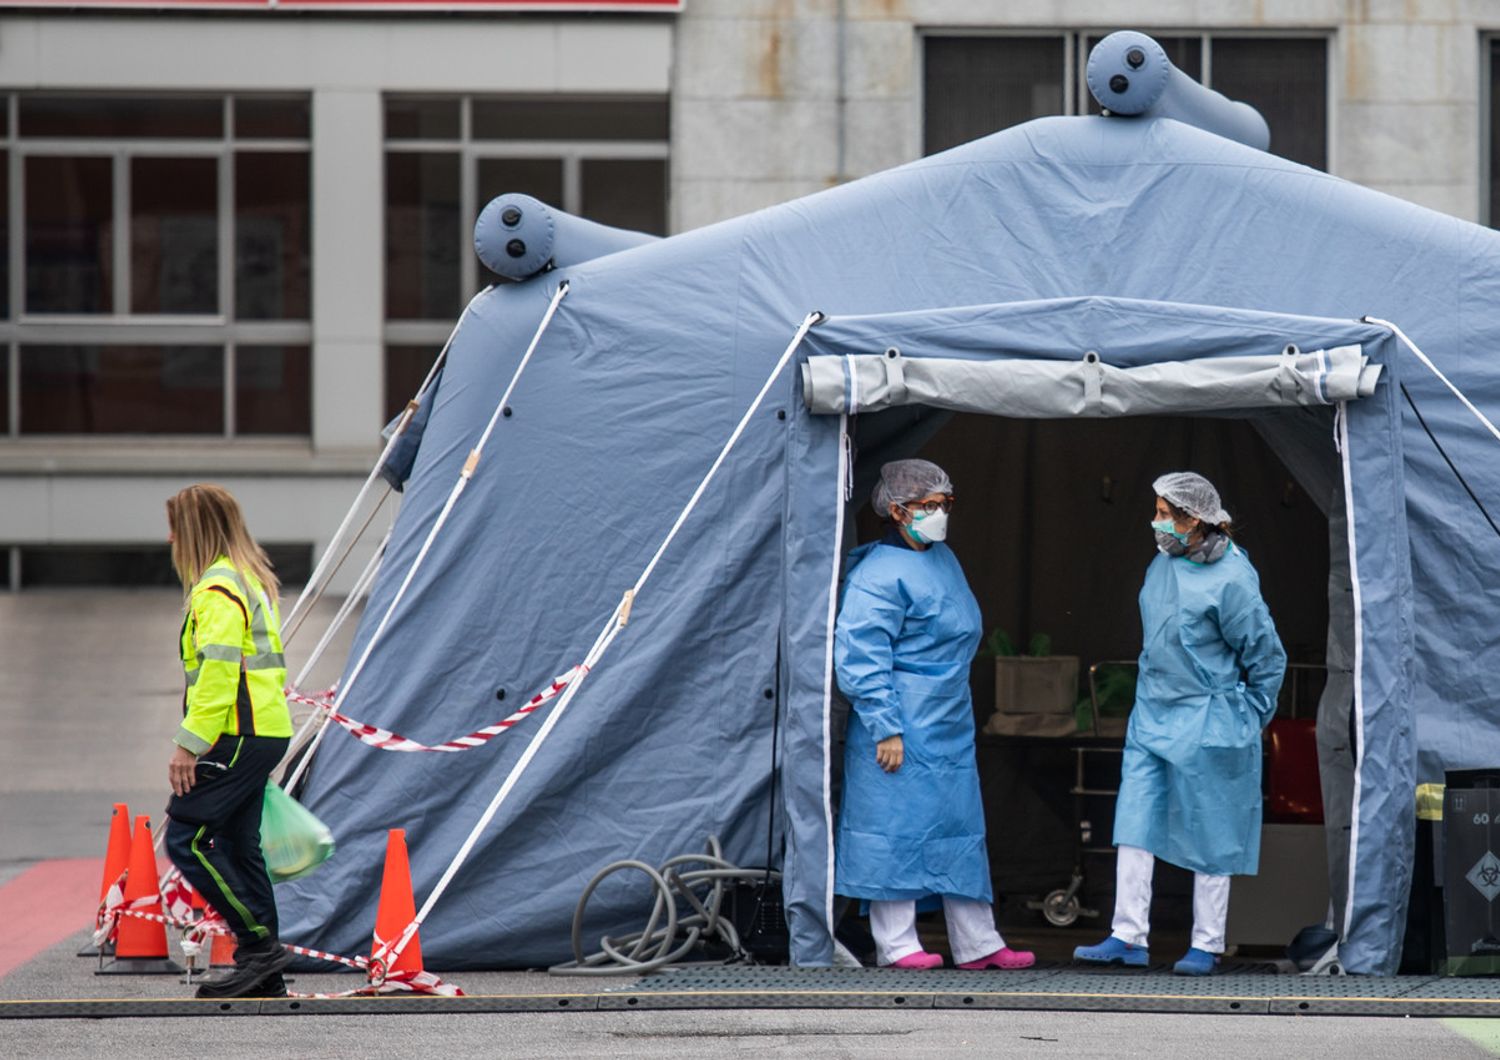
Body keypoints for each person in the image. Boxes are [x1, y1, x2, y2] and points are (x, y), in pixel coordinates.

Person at [1075, 472, 1286, 976]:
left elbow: (1266, 657)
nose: (1158, 522)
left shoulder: (1233, 579)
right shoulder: (1163, 562)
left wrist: (1248, 714)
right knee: (1135, 819)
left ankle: (1207, 943)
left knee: (1212, 830)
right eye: (1157, 510)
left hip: (1210, 717)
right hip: (1153, 712)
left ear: (1196, 520)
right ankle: (1127, 935)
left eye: (1168, 514)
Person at [834, 459, 1034, 971]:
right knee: (892, 830)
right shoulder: (878, 574)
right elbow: (860, 653)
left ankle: (978, 943)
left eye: (944, 504)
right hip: (899, 720)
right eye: (928, 506)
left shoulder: (943, 559)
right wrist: (886, 726)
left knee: (958, 831)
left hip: (947, 719)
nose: (940, 513)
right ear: (897, 510)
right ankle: (897, 944)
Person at [163, 484, 295, 999]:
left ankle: (258, 949)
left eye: (175, 525)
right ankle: (267, 974)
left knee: (186, 839)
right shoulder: (247, 579)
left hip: (236, 733)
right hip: (262, 730)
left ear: (194, 530)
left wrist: (187, 745)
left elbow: (217, 675)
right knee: (241, 848)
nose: (170, 536)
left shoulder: (216, 590)